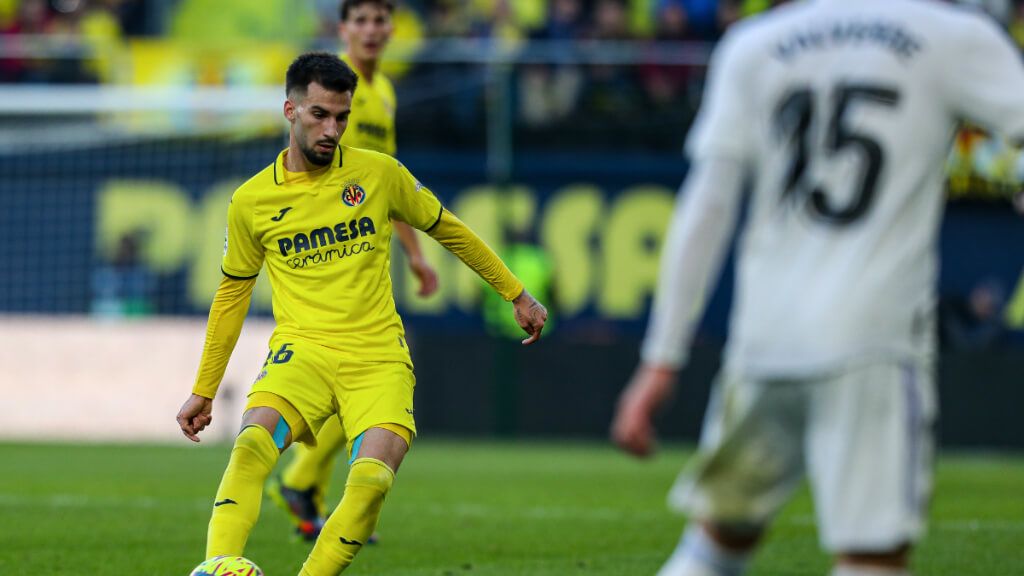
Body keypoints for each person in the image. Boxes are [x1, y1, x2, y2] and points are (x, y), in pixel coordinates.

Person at [611, 2, 1024, 576]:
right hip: (872, 340)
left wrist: (660, 360)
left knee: (718, 541)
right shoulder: (948, 36)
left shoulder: (755, 44)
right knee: (872, 555)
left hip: (764, 340)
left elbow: (706, 207)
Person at [176, 52, 547, 575]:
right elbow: (232, 295)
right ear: (290, 110)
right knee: (251, 443)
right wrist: (205, 387)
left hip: (377, 356)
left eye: (342, 117)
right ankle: (219, 567)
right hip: (301, 350)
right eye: (320, 115)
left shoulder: (378, 174)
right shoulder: (251, 201)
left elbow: (449, 228)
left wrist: (516, 293)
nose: (333, 129)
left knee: (372, 480)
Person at [269, 0, 439, 542]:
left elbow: (390, 185)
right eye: (360, 20)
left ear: (392, 29)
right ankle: (301, 479)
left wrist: (413, 252)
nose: (372, 30)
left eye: (380, 20)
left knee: (373, 371)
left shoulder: (383, 92)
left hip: (368, 254)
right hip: (328, 255)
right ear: (343, 29)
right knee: (365, 369)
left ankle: (302, 481)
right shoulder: (330, 90)